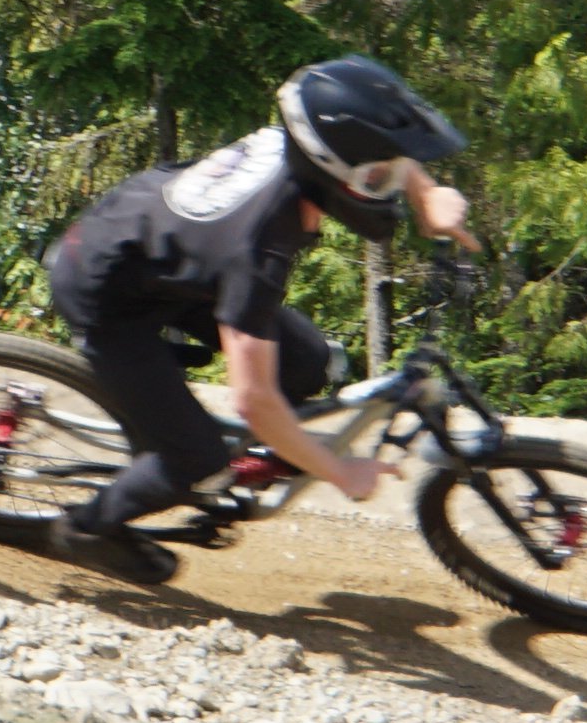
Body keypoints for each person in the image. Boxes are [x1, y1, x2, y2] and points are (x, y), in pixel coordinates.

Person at [36, 55, 472, 580]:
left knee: (308, 360)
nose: (391, 183)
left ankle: (262, 451)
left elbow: (362, 152)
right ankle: (86, 528)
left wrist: (426, 194)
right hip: (108, 295)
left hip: (158, 250)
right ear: (332, 173)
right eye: (382, 177)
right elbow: (253, 397)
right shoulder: (256, 249)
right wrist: (338, 470)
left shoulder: (293, 144)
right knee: (196, 460)